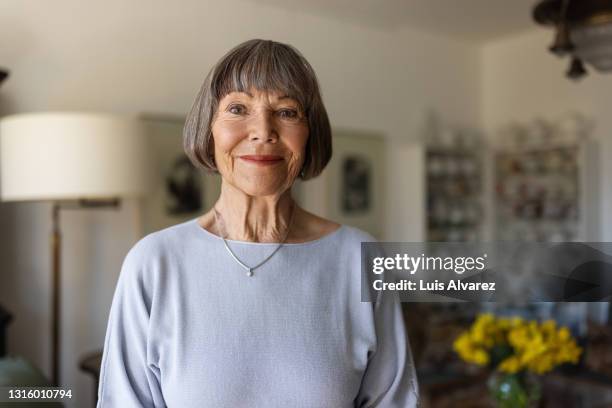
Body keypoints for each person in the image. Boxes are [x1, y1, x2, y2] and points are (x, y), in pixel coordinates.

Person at [97, 38, 419, 407]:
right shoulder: (154, 263)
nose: (263, 130)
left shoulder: (360, 258)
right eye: (238, 108)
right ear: (209, 129)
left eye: (286, 111)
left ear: (309, 133)